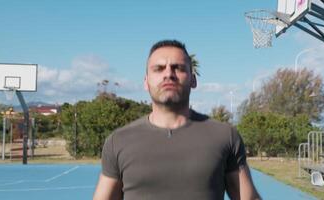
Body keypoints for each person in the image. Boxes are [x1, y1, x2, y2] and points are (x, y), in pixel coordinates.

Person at [93, 40, 260, 200]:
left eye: (178, 68)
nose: (168, 74)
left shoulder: (225, 136)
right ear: (146, 82)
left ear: (193, 79)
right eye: (158, 69)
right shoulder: (118, 141)